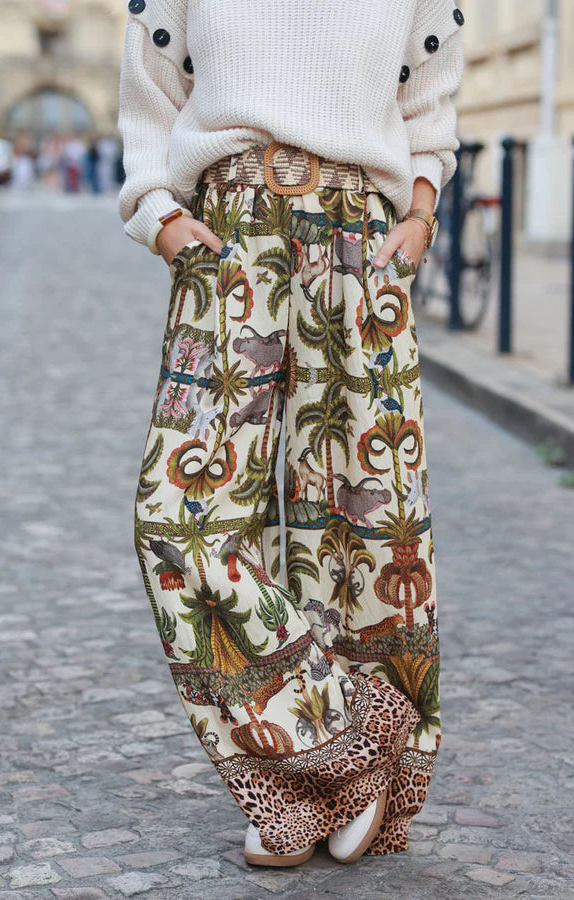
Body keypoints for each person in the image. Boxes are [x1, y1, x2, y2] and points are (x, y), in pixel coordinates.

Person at [117, 0, 464, 868]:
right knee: (179, 517)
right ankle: (344, 741)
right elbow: (148, 91)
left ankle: (315, 790)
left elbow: (430, 101)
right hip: (228, 239)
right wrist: (160, 213)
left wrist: (417, 219)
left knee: (363, 524)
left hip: (363, 240)